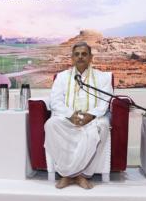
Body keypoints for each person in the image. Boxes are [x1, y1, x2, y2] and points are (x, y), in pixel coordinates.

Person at [44, 42, 112, 189]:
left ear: (91, 57)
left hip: (92, 119)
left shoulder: (102, 78)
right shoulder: (62, 77)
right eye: (77, 54)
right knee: (51, 125)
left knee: (103, 126)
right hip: (68, 119)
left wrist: (91, 116)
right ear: (72, 58)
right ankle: (67, 174)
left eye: (84, 54)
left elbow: (105, 101)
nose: (80, 57)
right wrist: (70, 115)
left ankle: (81, 175)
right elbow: (55, 101)